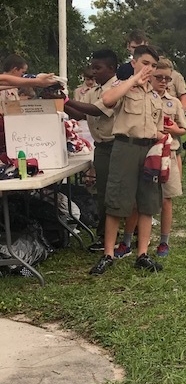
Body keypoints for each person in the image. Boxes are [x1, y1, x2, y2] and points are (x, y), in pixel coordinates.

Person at [89, 45, 165, 276]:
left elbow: (158, 127)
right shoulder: (122, 87)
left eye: (153, 65)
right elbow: (107, 99)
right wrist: (132, 81)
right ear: (134, 63)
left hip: (149, 149)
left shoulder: (154, 96)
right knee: (116, 201)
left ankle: (142, 254)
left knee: (147, 202)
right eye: (145, 63)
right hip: (125, 147)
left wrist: (165, 144)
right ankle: (108, 254)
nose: (149, 69)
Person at [64, 49, 119, 254]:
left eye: (98, 67)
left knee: (111, 192)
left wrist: (67, 101)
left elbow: (97, 110)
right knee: (103, 192)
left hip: (115, 145)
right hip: (101, 146)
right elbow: (80, 114)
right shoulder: (94, 91)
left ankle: (109, 237)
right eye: (92, 67)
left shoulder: (116, 89)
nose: (94, 72)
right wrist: (61, 101)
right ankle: (107, 235)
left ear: (111, 68)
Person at [153, 59, 186, 257]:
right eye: (159, 77)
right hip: (147, 153)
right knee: (143, 200)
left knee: (167, 198)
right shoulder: (143, 99)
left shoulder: (173, 102)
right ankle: (130, 239)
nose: (163, 81)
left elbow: (183, 128)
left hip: (168, 154)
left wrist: (175, 129)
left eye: (167, 78)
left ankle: (164, 241)